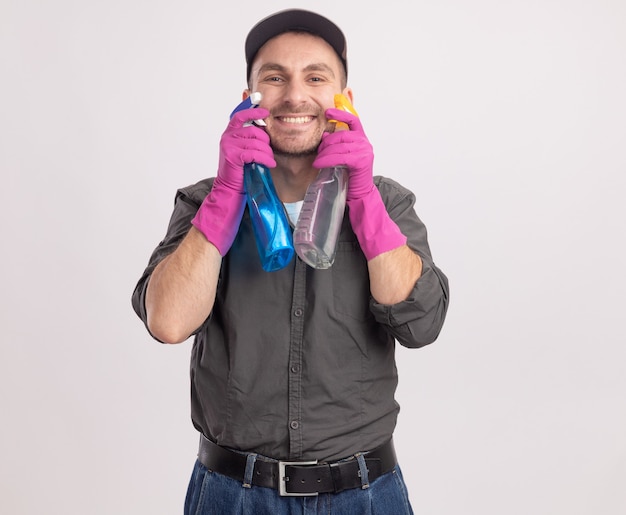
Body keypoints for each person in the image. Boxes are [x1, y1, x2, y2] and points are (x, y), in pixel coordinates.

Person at [132, 8, 449, 515]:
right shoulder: (202, 203)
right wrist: (226, 196)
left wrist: (361, 196)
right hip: (230, 495)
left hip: (365, 495)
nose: (295, 95)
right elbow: (167, 322)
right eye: (273, 77)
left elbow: (423, 324)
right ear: (248, 99)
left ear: (346, 100)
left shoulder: (388, 203)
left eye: (316, 77)